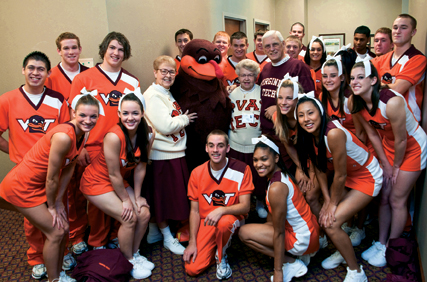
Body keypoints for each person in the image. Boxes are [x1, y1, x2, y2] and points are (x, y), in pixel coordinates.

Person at [0, 94, 100, 282]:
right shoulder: (63, 136)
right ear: (73, 113)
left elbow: (68, 169)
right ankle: (54, 279)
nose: (88, 120)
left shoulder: (83, 134)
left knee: (62, 227)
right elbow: (52, 177)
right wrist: (53, 206)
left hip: (38, 186)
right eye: (83, 115)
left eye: (93, 116)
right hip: (22, 187)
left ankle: (58, 272)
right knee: (56, 231)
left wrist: (60, 203)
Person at [295, 93, 383, 281]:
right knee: (329, 217)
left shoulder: (332, 133)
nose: (306, 119)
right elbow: (319, 168)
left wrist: (332, 204)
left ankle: (357, 272)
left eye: (310, 113)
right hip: (351, 176)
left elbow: (340, 175)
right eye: (301, 115)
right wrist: (327, 200)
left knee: (332, 222)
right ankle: (343, 251)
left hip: (368, 176)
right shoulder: (309, 135)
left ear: (320, 112)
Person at [0, 51, 71, 279]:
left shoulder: (58, 100)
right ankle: (36, 257)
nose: (35, 73)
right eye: (31, 68)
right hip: (25, 174)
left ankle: (62, 251)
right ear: (23, 70)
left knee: (60, 212)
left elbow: (67, 133)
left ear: (48, 73)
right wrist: (17, 154)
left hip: (53, 172)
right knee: (32, 222)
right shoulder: (7, 99)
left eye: (41, 69)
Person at [349, 60, 426, 267]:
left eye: (360, 77)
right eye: (352, 78)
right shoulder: (355, 102)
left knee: (396, 199)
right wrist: (385, 162)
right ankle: (381, 242)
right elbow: (373, 134)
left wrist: (396, 166)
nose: (354, 82)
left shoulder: (391, 102)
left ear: (374, 80)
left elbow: (402, 139)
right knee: (383, 196)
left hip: (412, 148)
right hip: (389, 146)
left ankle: (391, 246)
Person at [69, 32, 140, 251]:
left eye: (120, 49)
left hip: (121, 149)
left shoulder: (132, 82)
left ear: (125, 54)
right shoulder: (84, 78)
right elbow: (75, 118)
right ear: (103, 50)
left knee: (120, 195)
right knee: (97, 201)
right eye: (112, 48)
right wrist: (77, 148)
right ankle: (97, 242)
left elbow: (137, 116)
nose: (116, 53)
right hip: (92, 149)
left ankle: (116, 236)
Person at [80, 93, 155, 279]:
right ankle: (127, 260)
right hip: (96, 182)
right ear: (119, 114)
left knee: (143, 213)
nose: (130, 118)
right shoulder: (113, 136)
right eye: (126, 113)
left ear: (142, 113)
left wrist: (136, 197)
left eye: (135, 113)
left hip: (120, 182)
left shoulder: (149, 134)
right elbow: (112, 174)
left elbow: (140, 167)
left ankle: (134, 254)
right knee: (128, 217)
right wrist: (125, 201)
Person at [239, 135, 319, 282]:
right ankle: (300, 254)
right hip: (309, 231)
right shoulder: (279, 175)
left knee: (244, 233)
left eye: (264, 159)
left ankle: (290, 262)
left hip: (302, 238)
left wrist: (278, 273)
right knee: (267, 225)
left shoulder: (276, 187)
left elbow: (279, 232)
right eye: (255, 160)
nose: (258, 164)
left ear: (276, 158)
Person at [143, 55, 197, 255]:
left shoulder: (165, 92)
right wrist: (185, 119)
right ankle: (167, 237)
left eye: (171, 71)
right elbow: (166, 126)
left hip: (173, 153)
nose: (167, 75)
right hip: (163, 155)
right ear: (155, 73)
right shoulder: (153, 95)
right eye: (163, 71)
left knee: (165, 197)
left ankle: (155, 231)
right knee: (163, 199)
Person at [183, 130, 254, 280]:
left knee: (223, 223)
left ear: (228, 148)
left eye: (220, 146)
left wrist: (221, 210)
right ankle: (215, 245)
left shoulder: (242, 169)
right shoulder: (197, 173)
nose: (215, 150)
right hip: (207, 221)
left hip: (231, 218)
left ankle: (221, 257)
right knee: (192, 268)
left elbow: (245, 206)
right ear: (206, 148)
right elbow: (195, 212)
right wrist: (192, 242)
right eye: (212, 146)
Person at [45, 32, 90, 258]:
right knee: (63, 193)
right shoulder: (50, 76)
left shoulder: (89, 74)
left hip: (85, 142)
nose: (71, 52)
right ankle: (68, 237)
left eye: (74, 47)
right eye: (66, 48)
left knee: (81, 191)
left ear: (80, 49)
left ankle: (80, 234)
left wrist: (84, 146)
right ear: (59, 51)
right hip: (62, 142)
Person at [257, 30, 315, 170]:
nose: (272, 49)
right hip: (267, 133)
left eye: (275, 44)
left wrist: (278, 110)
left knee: (294, 177)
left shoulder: (298, 66)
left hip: (289, 135)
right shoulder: (265, 68)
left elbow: (309, 101)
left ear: (283, 44)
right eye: (267, 46)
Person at [228, 59, 267, 218]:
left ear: (256, 76)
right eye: (243, 75)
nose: (246, 78)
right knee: (238, 176)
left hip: (256, 143)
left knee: (258, 177)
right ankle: (239, 206)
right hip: (236, 143)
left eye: (250, 75)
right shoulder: (231, 93)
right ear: (238, 76)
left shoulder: (261, 92)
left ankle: (259, 202)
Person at [372, 14, 426, 123]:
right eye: (395, 27)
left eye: (403, 27)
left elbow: (397, 89)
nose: (397, 31)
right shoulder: (382, 58)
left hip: (408, 121)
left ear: (413, 32)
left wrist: (372, 85)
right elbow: (359, 74)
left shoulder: (417, 59)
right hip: (384, 119)